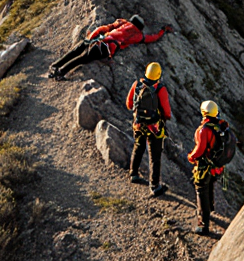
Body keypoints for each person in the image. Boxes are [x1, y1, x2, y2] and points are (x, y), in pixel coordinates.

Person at [47, 15, 171, 80]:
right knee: (82, 58)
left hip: (99, 38)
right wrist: (163, 31)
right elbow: (152, 38)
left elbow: (105, 28)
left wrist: (91, 37)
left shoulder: (122, 23)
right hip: (104, 48)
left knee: (76, 51)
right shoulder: (136, 35)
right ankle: (61, 72)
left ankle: (55, 66)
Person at [126, 62, 172, 196]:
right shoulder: (160, 89)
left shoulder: (137, 85)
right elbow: (167, 112)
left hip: (138, 124)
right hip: (154, 128)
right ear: (158, 75)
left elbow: (129, 104)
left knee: (138, 147)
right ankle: (155, 186)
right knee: (155, 156)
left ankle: (133, 174)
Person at [188, 100, 228, 236]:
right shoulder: (221, 126)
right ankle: (209, 210)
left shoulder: (204, 130)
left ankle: (203, 224)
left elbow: (200, 150)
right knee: (209, 185)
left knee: (201, 190)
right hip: (217, 166)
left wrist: (191, 157)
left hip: (205, 167)